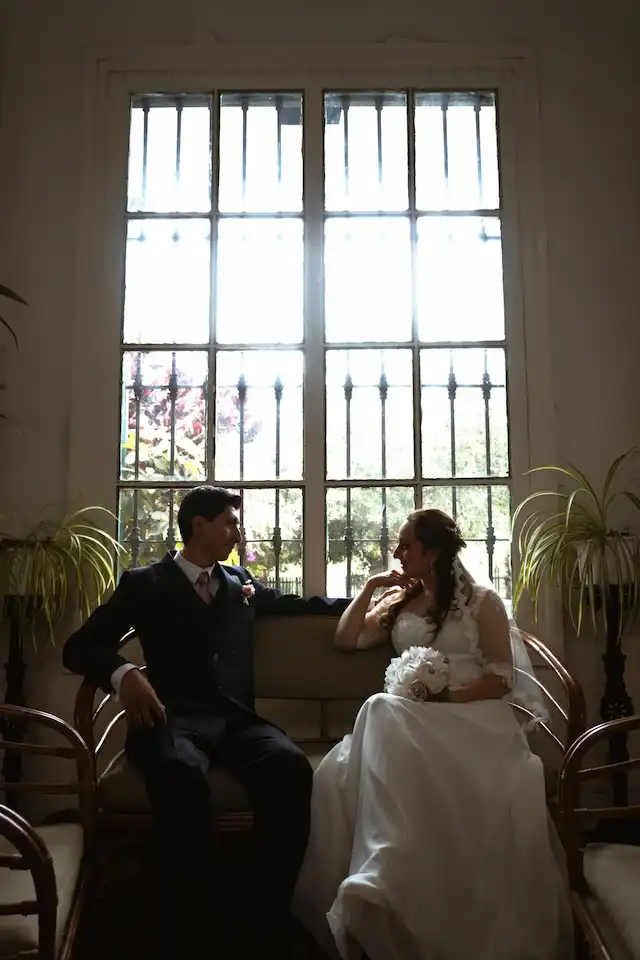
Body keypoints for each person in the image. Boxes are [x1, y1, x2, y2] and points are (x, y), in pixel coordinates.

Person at [62, 485, 349, 955]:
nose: (238, 532)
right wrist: (124, 673)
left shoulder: (240, 583)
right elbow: (79, 647)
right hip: (171, 720)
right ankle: (191, 926)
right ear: (199, 525)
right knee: (179, 776)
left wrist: (376, 600)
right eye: (230, 523)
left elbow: (304, 606)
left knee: (291, 768)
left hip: (236, 721)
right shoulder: (145, 583)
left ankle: (268, 917)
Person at [293, 508, 573, 960]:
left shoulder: (482, 602)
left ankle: (385, 868)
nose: (398, 553)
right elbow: (347, 639)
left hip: (473, 717)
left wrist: (444, 700)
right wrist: (371, 588)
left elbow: (501, 677)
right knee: (383, 710)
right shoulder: (401, 602)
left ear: (434, 551)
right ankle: (385, 869)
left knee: (382, 711)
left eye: (407, 545)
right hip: (409, 720)